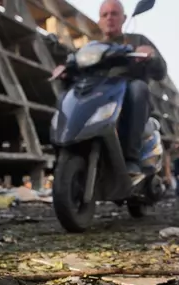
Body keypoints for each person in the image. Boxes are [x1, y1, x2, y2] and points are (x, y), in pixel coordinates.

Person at [51, 0, 167, 176]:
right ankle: (63, 151)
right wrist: (66, 71)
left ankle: (131, 159)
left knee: (138, 88)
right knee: (66, 97)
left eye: (114, 14)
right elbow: (78, 70)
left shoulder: (137, 40)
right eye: (104, 15)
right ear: (99, 21)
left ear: (124, 18)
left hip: (125, 95)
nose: (109, 18)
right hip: (99, 96)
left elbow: (160, 71)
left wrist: (151, 56)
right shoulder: (92, 48)